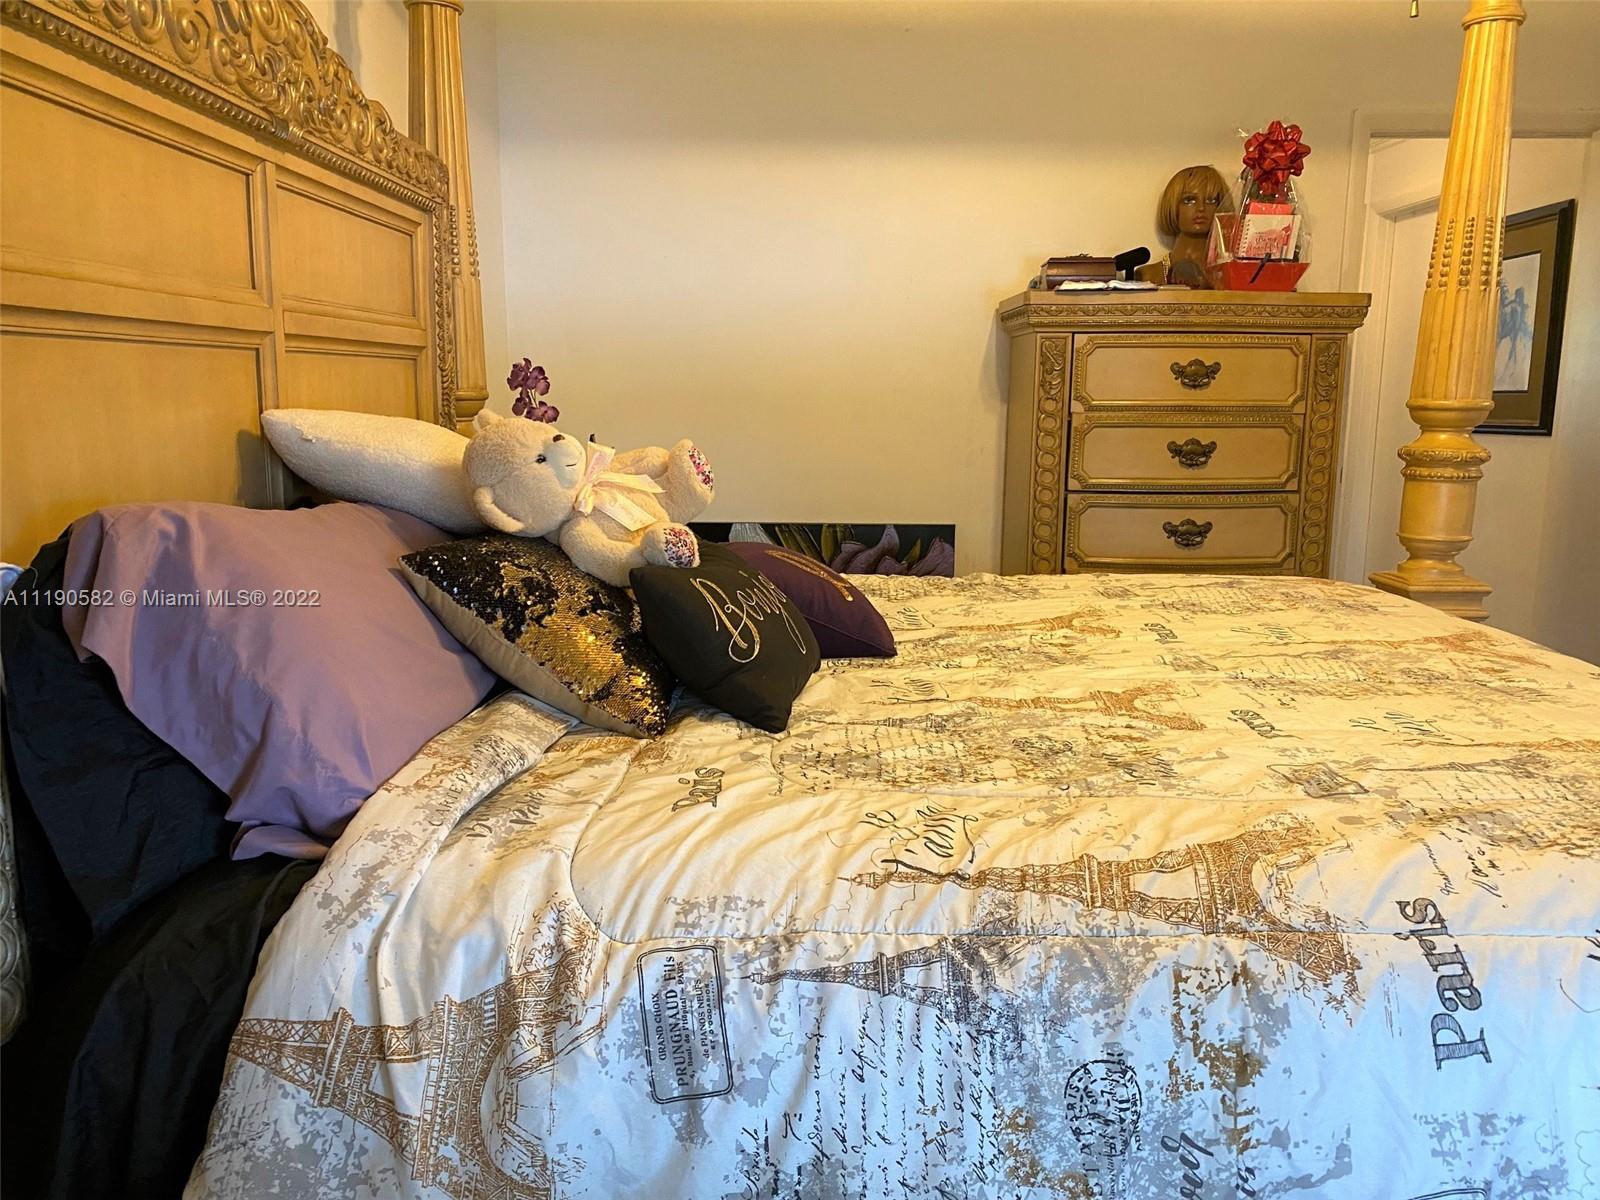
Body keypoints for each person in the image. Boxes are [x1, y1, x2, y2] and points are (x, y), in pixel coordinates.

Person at [1138, 164, 1234, 288]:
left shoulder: (1230, 277)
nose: (1201, 208)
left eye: (1211, 201)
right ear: (1172, 205)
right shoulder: (1148, 275)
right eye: (1189, 200)